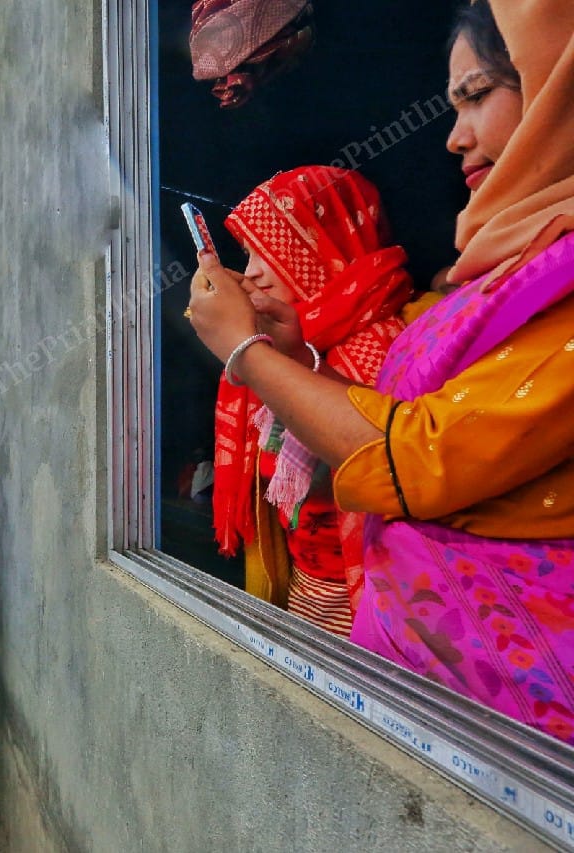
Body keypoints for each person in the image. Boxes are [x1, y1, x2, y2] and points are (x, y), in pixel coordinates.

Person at [186, 0, 574, 745]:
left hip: (521, 741)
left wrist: (250, 356)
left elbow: (413, 456)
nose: (454, 136)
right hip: (434, 696)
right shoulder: (488, 280)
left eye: (477, 95)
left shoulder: (399, 332)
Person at [206, 165, 415, 637]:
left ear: (322, 250)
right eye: (248, 252)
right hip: (309, 593)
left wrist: (255, 354)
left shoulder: (387, 347)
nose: (254, 270)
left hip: (367, 611)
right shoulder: (288, 343)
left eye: (272, 249)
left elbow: (339, 478)